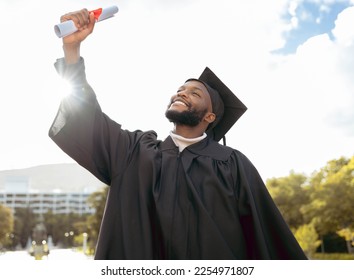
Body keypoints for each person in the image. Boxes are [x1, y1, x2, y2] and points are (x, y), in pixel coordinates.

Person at [49, 8, 307, 260]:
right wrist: (72, 49)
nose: (181, 93)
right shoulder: (134, 152)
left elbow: (267, 238)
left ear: (210, 117)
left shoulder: (233, 164)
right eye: (181, 89)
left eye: (195, 93)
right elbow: (86, 117)